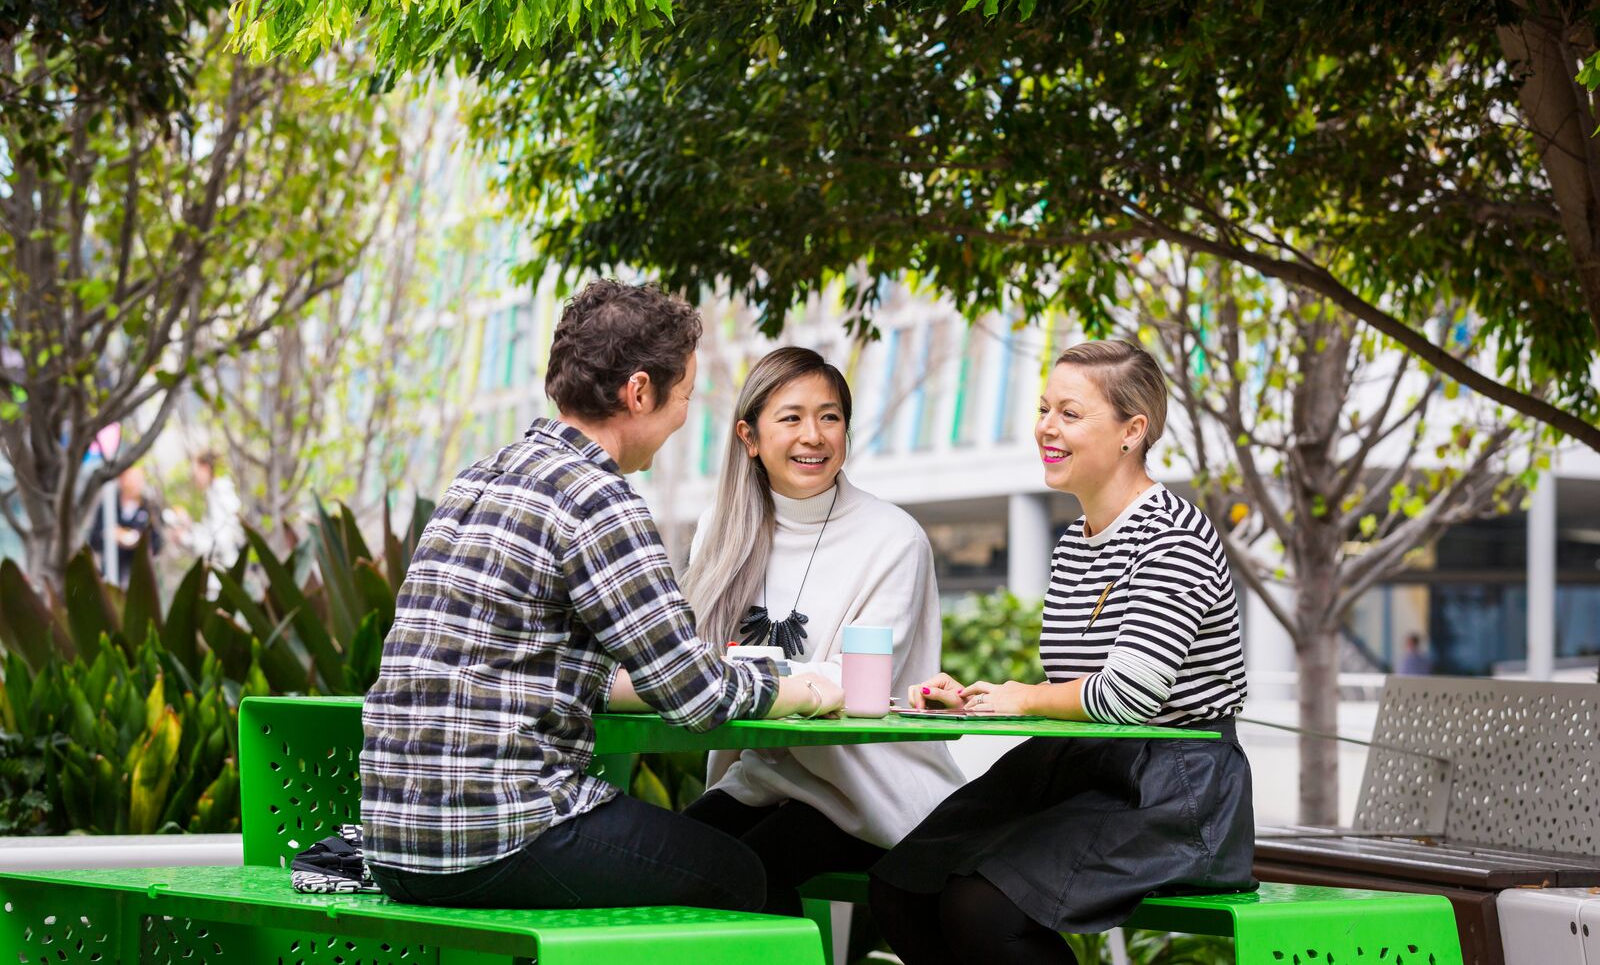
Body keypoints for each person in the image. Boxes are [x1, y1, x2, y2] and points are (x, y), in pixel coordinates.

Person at [360, 280, 844, 914]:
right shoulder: (596, 497)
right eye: (686, 397)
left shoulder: (481, 477)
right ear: (640, 391)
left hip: (394, 842)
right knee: (738, 875)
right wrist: (802, 690)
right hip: (500, 834)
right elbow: (695, 695)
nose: (682, 418)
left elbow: (519, 665)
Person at [869, 340, 1255, 965]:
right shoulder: (1077, 539)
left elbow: (1127, 695)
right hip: (1083, 765)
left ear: (1134, 431)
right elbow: (1077, 688)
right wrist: (978, 699)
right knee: (902, 886)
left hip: (1174, 788)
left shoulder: (1175, 535)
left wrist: (1021, 699)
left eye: (1070, 414)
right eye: (1045, 408)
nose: (1046, 427)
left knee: (982, 909)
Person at [666, 346, 965, 916]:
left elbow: (850, 681)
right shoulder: (721, 529)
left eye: (829, 417)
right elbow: (694, 658)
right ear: (749, 437)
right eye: (791, 417)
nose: (814, 435)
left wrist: (740, 678)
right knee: (666, 859)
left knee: (737, 881)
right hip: (764, 779)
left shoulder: (892, 538)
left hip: (865, 789)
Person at [88, 466, 163, 584]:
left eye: (138, 480)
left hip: (139, 579)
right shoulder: (108, 507)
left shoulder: (150, 509)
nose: (134, 485)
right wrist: (111, 535)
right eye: (131, 480)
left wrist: (139, 540)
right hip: (110, 576)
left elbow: (157, 543)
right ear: (121, 480)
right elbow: (94, 539)